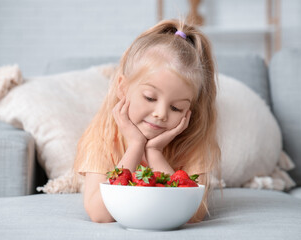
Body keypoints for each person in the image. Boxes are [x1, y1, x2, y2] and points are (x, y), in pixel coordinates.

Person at [73, 18, 221, 224]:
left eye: (176, 108)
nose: (161, 114)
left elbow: (191, 215)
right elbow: (100, 214)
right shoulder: (103, 133)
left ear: (189, 111)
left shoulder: (193, 138)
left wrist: (154, 153)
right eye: (150, 98)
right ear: (123, 88)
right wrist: (135, 146)